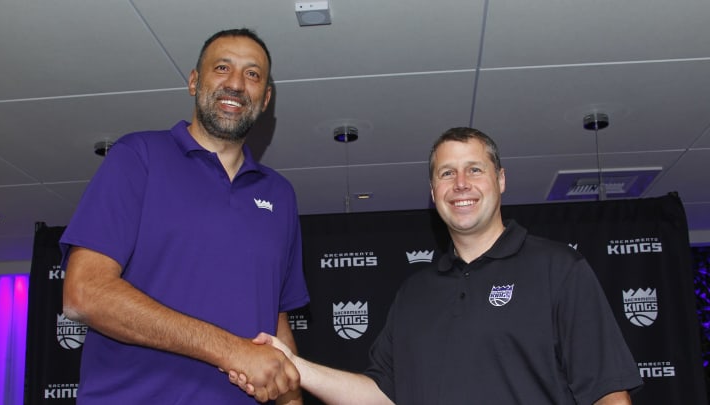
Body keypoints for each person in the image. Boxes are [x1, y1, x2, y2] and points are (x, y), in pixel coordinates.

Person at [239, 127, 643, 404]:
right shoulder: (415, 293)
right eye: (447, 173)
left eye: (474, 169)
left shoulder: (559, 269)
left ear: (500, 180)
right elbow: (379, 395)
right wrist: (294, 365)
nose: (461, 183)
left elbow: (609, 393)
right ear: (433, 192)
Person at [60, 28, 309, 405]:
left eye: (253, 74)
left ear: (266, 98)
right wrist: (232, 350)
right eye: (222, 68)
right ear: (195, 81)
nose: (236, 84)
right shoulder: (139, 156)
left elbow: (276, 325)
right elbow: (84, 292)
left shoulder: (280, 195)